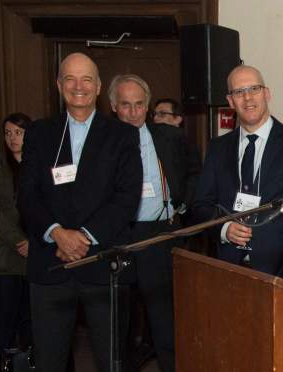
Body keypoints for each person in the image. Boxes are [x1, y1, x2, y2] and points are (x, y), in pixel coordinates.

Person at [19, 53, 142, 372]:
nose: (79, 86)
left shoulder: (123, 135)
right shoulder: (39, 133)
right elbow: (27, 194)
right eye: (70, 79)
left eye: (87, 79)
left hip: (104, 267)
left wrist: (83, 238)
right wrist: (58, 233)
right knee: (49, 360)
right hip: (50, 265)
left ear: (99, 87)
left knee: (112, 361)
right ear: (59, 85)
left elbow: (127, 198)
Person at [190, 65, 283, 288]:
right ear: (230, 101)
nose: (247, 98)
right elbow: (200, 204)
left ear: (267, 93)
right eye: (239, 92)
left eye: (254, 89)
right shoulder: (218, 148)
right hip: (228, 271)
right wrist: (224, 229)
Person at [108, 74, 190, 372]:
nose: (132, 112)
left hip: (159, 234)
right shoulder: (100, 144)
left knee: (164, 319)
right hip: (120, 236)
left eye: (139, 105)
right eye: (125, 105)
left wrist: (182, 204)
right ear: (114, 106)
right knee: (120, 320)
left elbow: (194, 171)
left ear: (147, 106)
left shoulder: (168, 137)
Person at [0, 113, 32, 372]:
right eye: (8, 133)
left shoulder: (41, 163)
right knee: (3, 322)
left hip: (35, 254)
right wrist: (19, 241)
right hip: (4, 255)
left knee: (30, 323)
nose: (13, 138)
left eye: (19, 132)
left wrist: (34, 241)